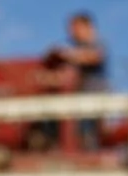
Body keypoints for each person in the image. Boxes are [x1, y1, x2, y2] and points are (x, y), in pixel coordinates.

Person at [35, 11, 111, 149]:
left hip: (93, 100)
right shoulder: (75, 47)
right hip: (76, 103)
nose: (71, 33)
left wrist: (65, 54)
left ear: (88, 27)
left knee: (89, 135)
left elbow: (93, 57)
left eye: (75, 28)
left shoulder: (97, 43)